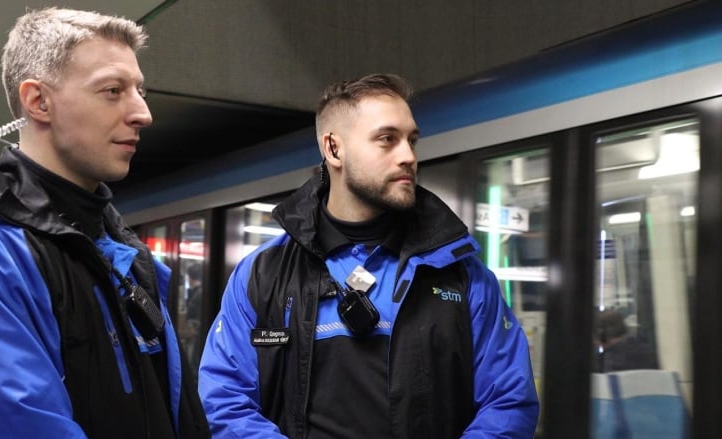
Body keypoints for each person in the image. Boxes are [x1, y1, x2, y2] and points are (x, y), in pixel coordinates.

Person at [198, 73, 539, 437]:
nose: (408, 156)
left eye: (412, 140)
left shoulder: (461, 272)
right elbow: (225, 398)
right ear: (333, 149)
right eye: (386, 140)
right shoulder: (263, 274)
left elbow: (508, 400)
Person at [0, 8, 209, 438]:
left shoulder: (111, 237)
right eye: (112, 90)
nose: (143, 113)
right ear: (38, 101)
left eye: (140, 90)